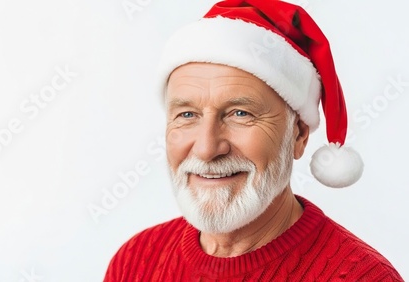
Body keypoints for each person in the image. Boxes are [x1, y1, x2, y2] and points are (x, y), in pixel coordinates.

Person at [104, 0, 403, 281]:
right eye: (187, 115)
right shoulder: (135, 261)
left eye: (240, 113)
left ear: (298, 135)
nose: (207, 149)